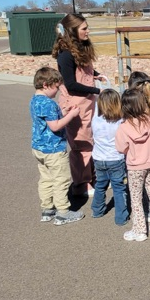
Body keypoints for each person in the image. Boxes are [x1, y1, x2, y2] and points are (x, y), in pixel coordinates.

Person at [52, 14, 108, 197]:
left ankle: (92, 177)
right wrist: (97, 91)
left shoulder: (80, 49)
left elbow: (84, 71)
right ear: (72, 31)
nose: (87, 31)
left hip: (87, 103)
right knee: (80, 144)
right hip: (75, 105)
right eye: (84, 28)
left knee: (91, 140)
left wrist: (96, 75)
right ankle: (81, 183)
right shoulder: (65, 55)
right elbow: (70, 84)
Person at [30, 67, 84, 225]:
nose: (57, 92)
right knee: (61, 179)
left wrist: (62, 111)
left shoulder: (34, 100)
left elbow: (46, 120)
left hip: (38, 148)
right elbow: (55, 126)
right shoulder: (49, 104)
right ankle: (63, 212)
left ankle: (47, 209)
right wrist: (70, 116)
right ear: (46, 85)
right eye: (56, 88)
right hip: (53, 149)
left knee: (46, 179)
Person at [115, 88, 150, 242]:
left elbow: (121, 148)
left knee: (136, 198)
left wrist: (131, 151)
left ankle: (139, 230)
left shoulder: (124, 127)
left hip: (135, 166)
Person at [90, 89, 128, 225]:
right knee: (119, 187)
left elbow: (96, 105)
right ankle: (121, 217)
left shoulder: (95, 119)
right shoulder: (121, 122)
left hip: (99, 158)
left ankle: (97, 210)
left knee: (100, 184)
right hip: (116, 159)